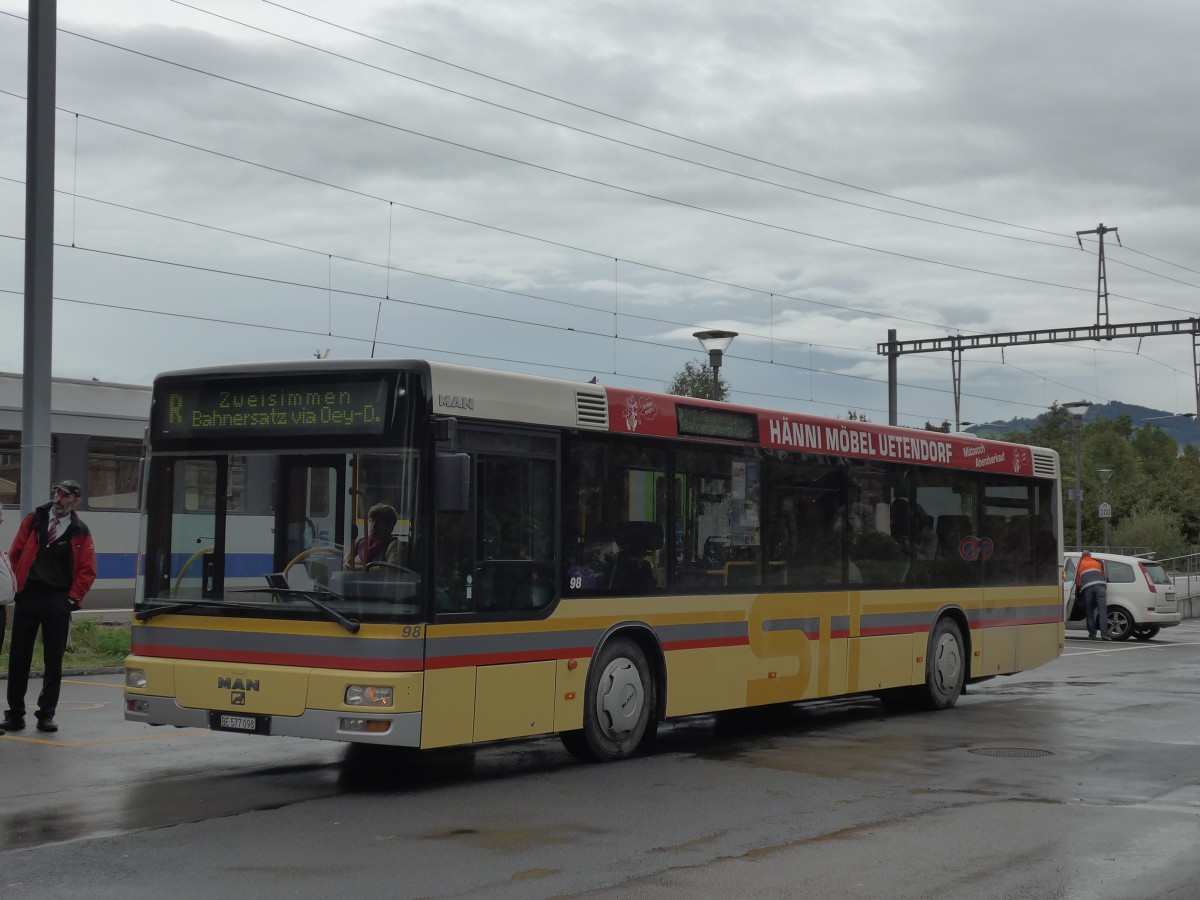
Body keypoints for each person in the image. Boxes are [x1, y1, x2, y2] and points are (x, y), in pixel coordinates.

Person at [3, 480, 97, 733]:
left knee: (53, 660)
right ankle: (14, 714)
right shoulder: (35, 519)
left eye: (65, 496)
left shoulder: (80, 530)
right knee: (18, 658)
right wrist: (15, 587)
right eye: (57, 493)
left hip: (57, 600)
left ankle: (46, 714)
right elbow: (15, 553)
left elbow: (88, 571)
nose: (58, 499)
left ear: (76, 501)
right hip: (28, 596)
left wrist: (71, 597)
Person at [346, 503, 401, 569]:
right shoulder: (360, 542)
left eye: (378, 522)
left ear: (390, 526)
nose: (373, 525)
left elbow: (389, 569)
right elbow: (346, 562)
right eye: (372, 521)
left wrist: (360, 568)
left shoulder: (394, 545)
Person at [1074, 550, 1110, 641]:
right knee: (1102, 611)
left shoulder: (1079, 564)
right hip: (1101, 586)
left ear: (1082, 557)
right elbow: (1102, 575)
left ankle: (1092, 635)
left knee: (1089, 612)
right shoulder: (1097, 563)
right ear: (1090, 556)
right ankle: (1104, 635)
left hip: (1088, 588)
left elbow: (1078, 582)